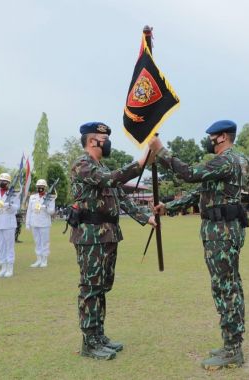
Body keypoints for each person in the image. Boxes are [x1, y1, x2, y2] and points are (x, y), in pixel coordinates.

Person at [149, 120, 248, 370]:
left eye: (212, 136)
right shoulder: (227, 162)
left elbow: (190, 174)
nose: (209, 140)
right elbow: (201, 193)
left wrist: (160, 150)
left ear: (223, 137)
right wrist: (168, 207)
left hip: (222, 231)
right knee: (229, 285)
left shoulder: (227, 160)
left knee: (225, 288)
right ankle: (231, 343)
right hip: (221, 230)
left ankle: (232, 349)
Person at [69, 122, 155, 361]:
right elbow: (109, 180)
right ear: (92, 141)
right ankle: (89, 342)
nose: (108, 142)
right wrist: (140, 162)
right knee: (90, 288)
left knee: (102, 287)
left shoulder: (101, 166)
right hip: (90, 237)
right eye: (104, 138)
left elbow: (121, 198)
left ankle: (98, 335)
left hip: (107, 235)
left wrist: (146, 218)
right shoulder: (82, 164)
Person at [0, 173, 20, 278]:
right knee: (0, 246)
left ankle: (10, 268)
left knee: (9, 246)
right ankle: (3, 267)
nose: (2, 182)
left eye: (5, 181)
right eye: (1, 180)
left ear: (9, 183)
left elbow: (16, 208)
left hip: (9, 222)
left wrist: (8, 205)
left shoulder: (14, 194)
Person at [25, 179, 56, 268]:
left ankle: (44, 259)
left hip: (44, 223)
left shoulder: (50, 197)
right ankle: (38, 259)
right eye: (39, 187)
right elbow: (29, 211)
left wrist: (45, 207)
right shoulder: (32, 197)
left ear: (45, 188)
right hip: (34, 222)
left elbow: (52, 211)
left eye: (42, 187)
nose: (40, 188)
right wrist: (27, 223)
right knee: (37, 242)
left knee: (44, 242)